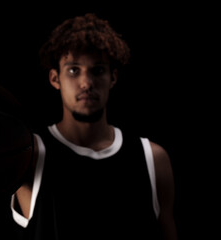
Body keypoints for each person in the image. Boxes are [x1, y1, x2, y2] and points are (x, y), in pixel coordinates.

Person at [11, 13, 177, 239]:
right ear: (54, 78)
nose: (86, 83)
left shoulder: (152, 158)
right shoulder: (29, 155)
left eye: (98, 70)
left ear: (113, 78)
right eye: (73, 70)